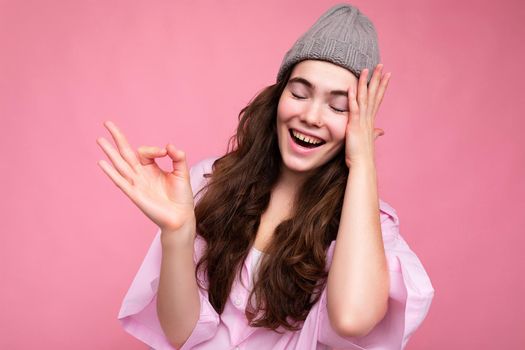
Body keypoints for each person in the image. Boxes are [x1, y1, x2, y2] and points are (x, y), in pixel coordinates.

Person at [97, 3, 434, 350]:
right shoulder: (209, 182)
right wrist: (177, 233)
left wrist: (362, 161)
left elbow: (353, 318)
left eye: (338, 107)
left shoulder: (368, 225)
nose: (312, 116)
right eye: (299, 93)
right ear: (278, 97)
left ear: (359, 124)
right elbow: (181, 333)